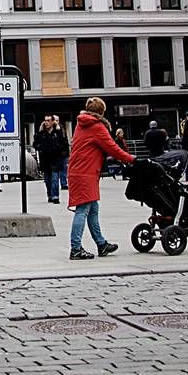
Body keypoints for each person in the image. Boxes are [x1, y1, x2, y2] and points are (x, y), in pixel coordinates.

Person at [67, 96, 134, 261]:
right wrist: (131, 159)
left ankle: (101, 243)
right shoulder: (96, 126)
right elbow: (112, 148)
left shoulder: (81, 124)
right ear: (102, 111)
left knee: (93, 209)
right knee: (82, 210)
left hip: (80, 171)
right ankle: (75, 248)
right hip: (85, 173)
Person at [34, 115, 69, 204]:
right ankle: (50, 194)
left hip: (56, 159)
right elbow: (35, 144)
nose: (46, 122)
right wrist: (40, 147)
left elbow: (64, 143)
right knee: (47, 180)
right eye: (45, 120)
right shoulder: (41, 133)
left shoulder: (58, 132)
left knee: (54, 178)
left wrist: (62, 152)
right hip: (45, 159)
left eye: (48, 120)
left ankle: (55, 196)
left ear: (52, 121)